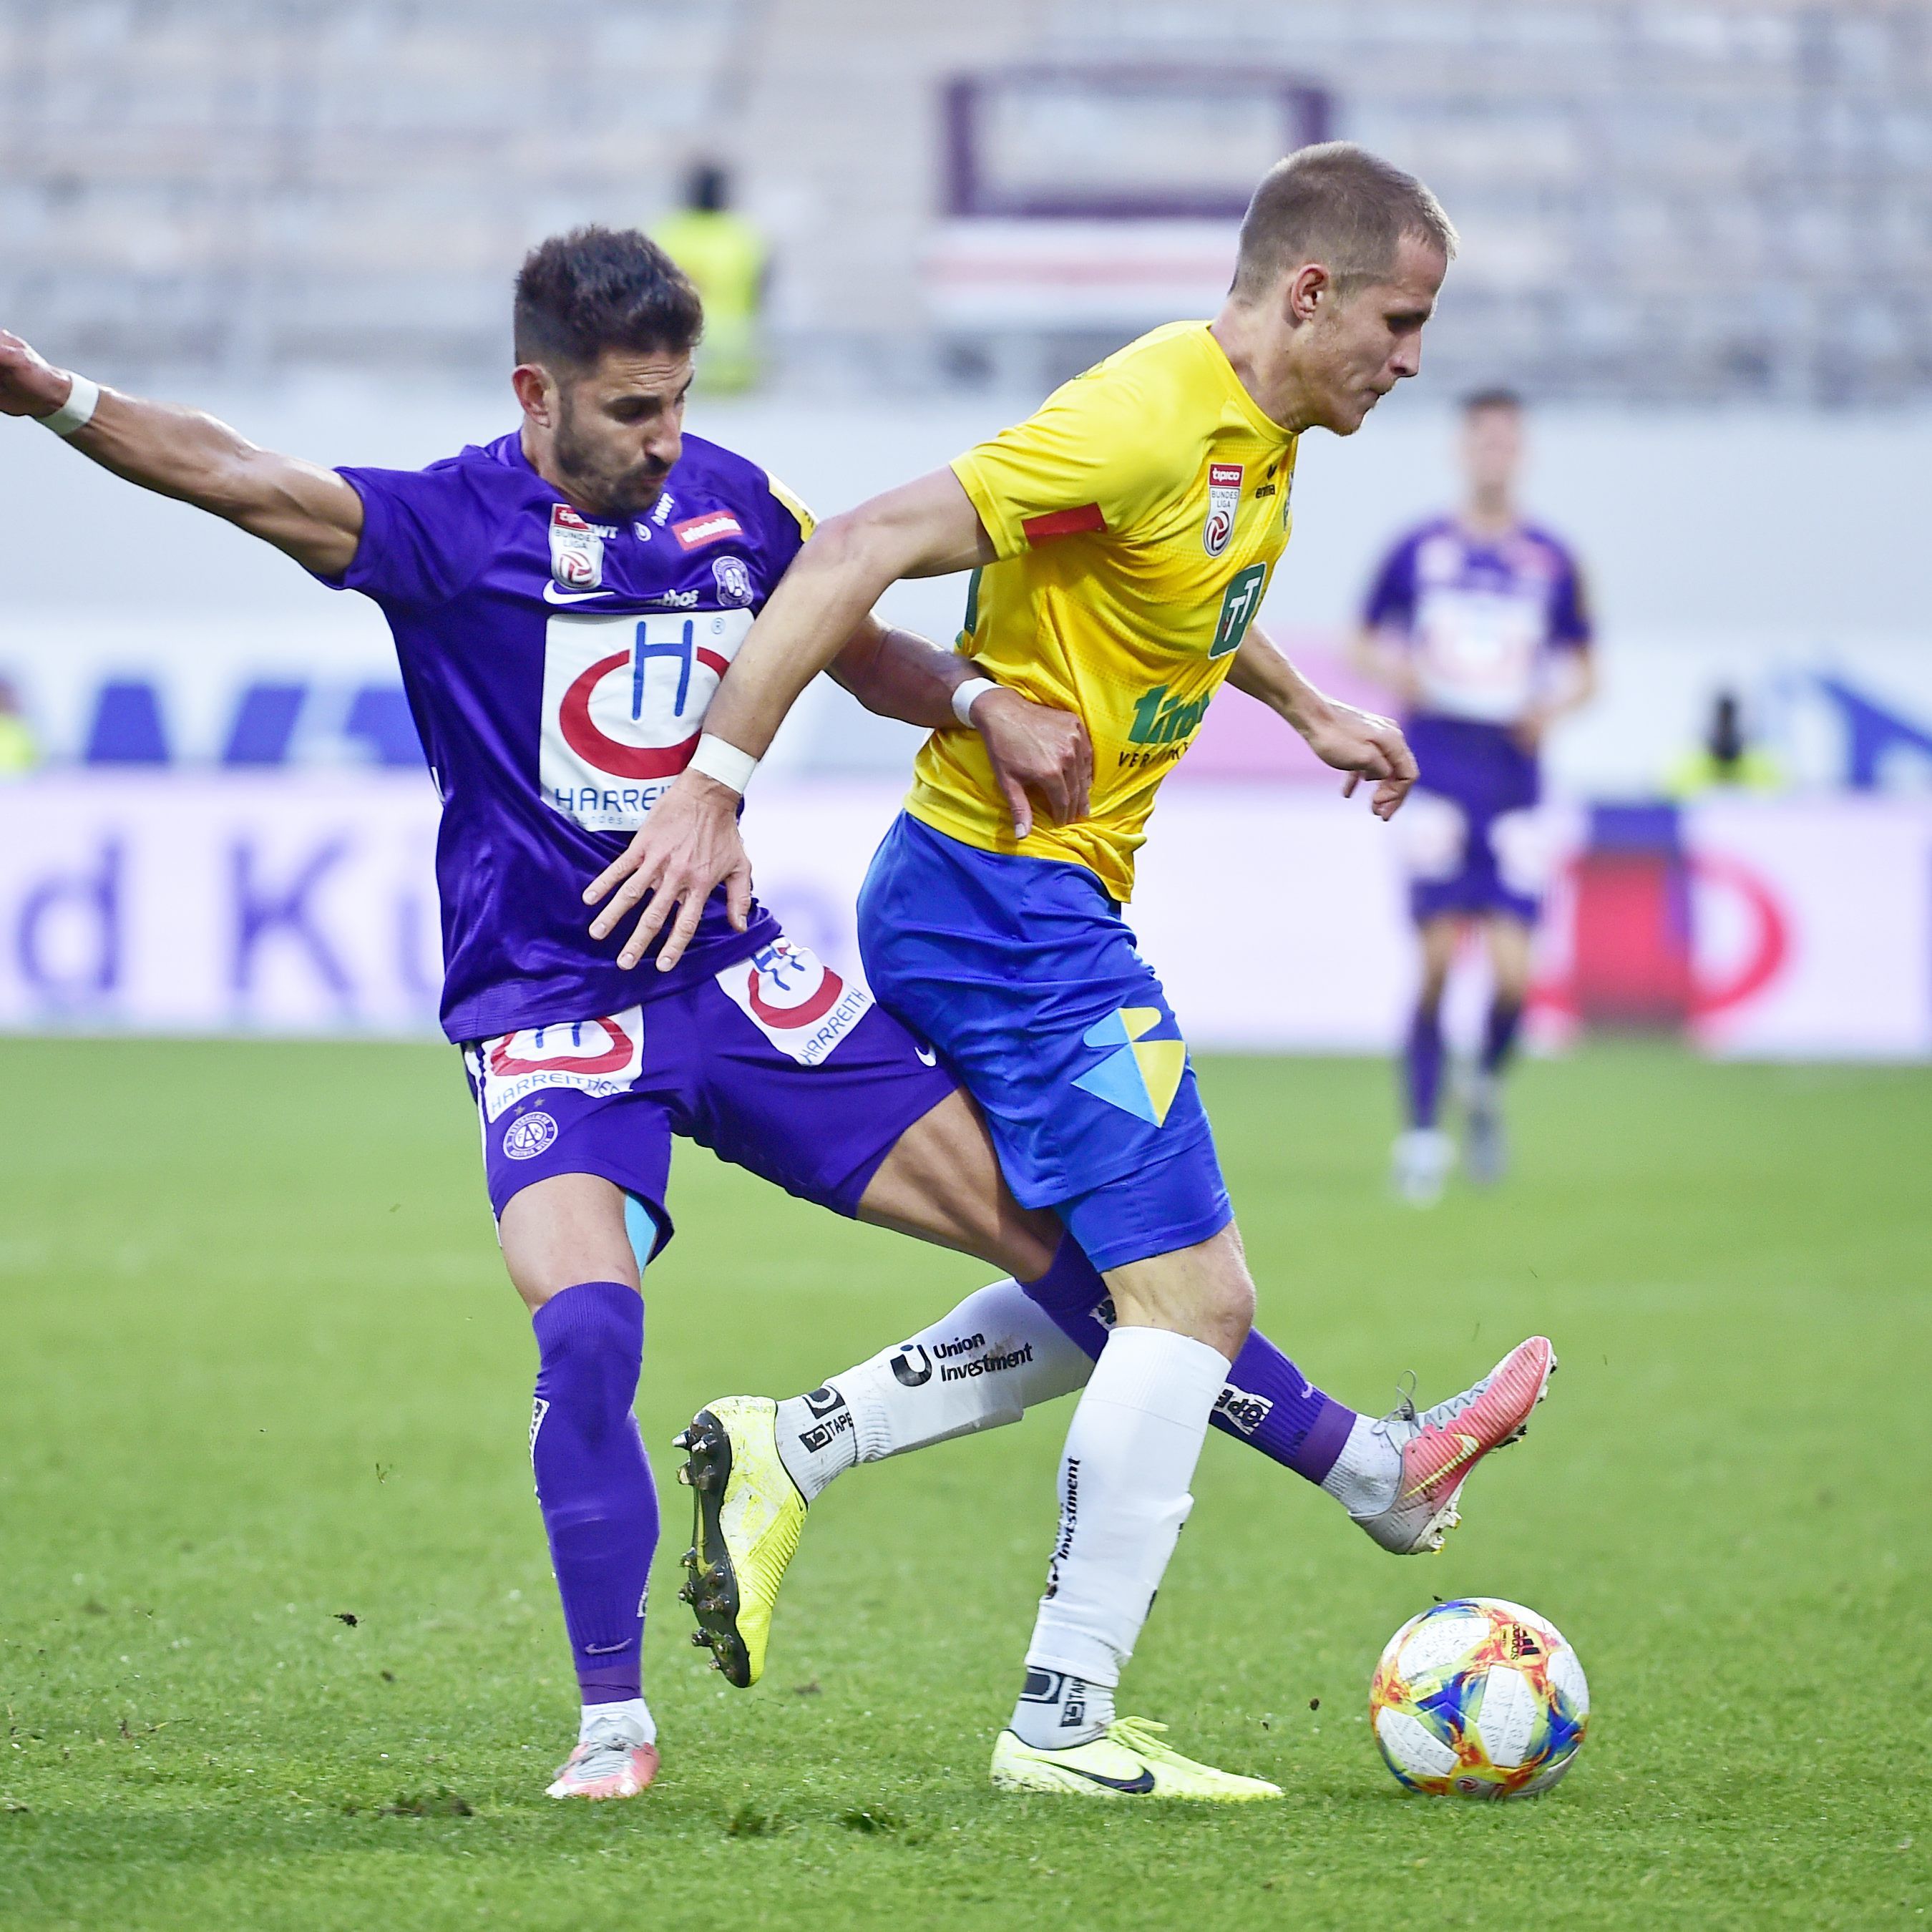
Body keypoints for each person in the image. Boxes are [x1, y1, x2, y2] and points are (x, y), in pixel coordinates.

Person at [0, 224, 1536, 1807]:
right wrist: (56, 397)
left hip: (738, 986)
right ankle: (613, 1722)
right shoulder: (448, 528)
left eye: (676, 402)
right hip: (551, 1009)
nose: (665, 443)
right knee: (590, 1324)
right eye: (629, 414)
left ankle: (1341, 1463)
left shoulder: (728, 496)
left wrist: (974, 696)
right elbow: (231, 472)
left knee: (1094, 1269)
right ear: (538, 395)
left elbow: (858, 638)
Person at [579, 145, 1558, 1800]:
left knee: (1104, 1276)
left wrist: (1303, 703)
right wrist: (712, 784)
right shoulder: (1146, 408)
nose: (1411, 357)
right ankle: (1064, 1714)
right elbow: (860, 545)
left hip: (1020, 900)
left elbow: (1181, 576)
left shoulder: (1247, 435)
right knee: (1194, 1300)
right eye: (1398, 320)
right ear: (1305, 291)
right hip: (1003, 905)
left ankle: (790, 1443)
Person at [1350, 388, 1596, 1205]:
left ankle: (1483, 1084)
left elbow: (1589, 670)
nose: (1494, 454)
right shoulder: (1420, 549)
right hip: (1437, 773)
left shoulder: (1552, 560)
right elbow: (1360, 637)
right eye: (1482, 440)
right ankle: (1421, 1136)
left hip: (1515, 784)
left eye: (1506, 442)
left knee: (1518, 978)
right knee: (1433, 963)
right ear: (1464, 449)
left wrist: (1548, 707)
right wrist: (1403, 675)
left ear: (1521, 453)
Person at [654, 162, 768, 394]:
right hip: (734, 361)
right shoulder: (744, 238)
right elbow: (761, 296)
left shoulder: (666, 234)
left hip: (671, 365)